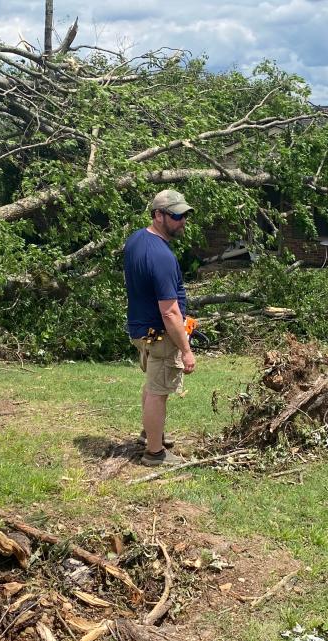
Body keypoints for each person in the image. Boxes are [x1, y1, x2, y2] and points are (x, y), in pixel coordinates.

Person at [124, 189, 196, 466]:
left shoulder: (136, 240)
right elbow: (169, 311)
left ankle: (150, 435)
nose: (182, 222)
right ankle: (155, 453)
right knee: (159, 391)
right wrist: (186, 350)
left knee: (152, 384)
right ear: (158, 215)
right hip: (160, 334)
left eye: (184, 215)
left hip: (141, 330)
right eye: (176, 216)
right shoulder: (162, 256)